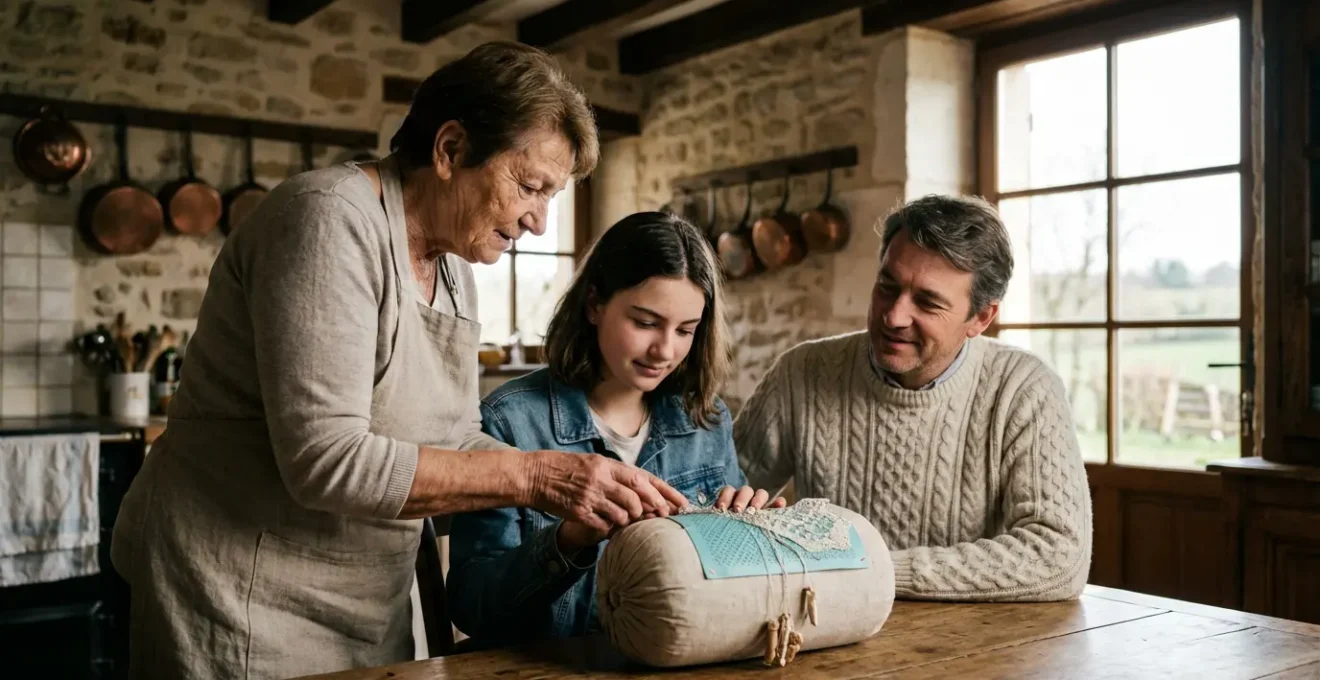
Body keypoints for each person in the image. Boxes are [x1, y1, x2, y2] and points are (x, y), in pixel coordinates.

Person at [108, 43, 687, 680]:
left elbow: (454, 436)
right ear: (450, 150)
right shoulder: (327, 220)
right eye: (529, 187)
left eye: (551, 196)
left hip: (361, 590)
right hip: (237, 585)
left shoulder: (454, 267)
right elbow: (325, 460)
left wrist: (588, 485)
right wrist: (538, 477)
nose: (539, 223)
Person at [447, 211, 784, 646]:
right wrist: (568, 540)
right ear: (594, 305)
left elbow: (726, 590)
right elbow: (472, 608)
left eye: (686, 330)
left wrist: (752, 536)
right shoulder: (509, 421)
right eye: (645, 323)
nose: (665, 351)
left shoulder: (705, 419)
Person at [734, 194, 1092, 603]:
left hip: (978, 638)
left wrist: (869, 569)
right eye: (887, 287)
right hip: (828, 626)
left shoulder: (1024, 389)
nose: (894, 316)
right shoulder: (802, 372)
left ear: (980, 318)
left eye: (927, 302)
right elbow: (716, 501)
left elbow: (1060, 556)